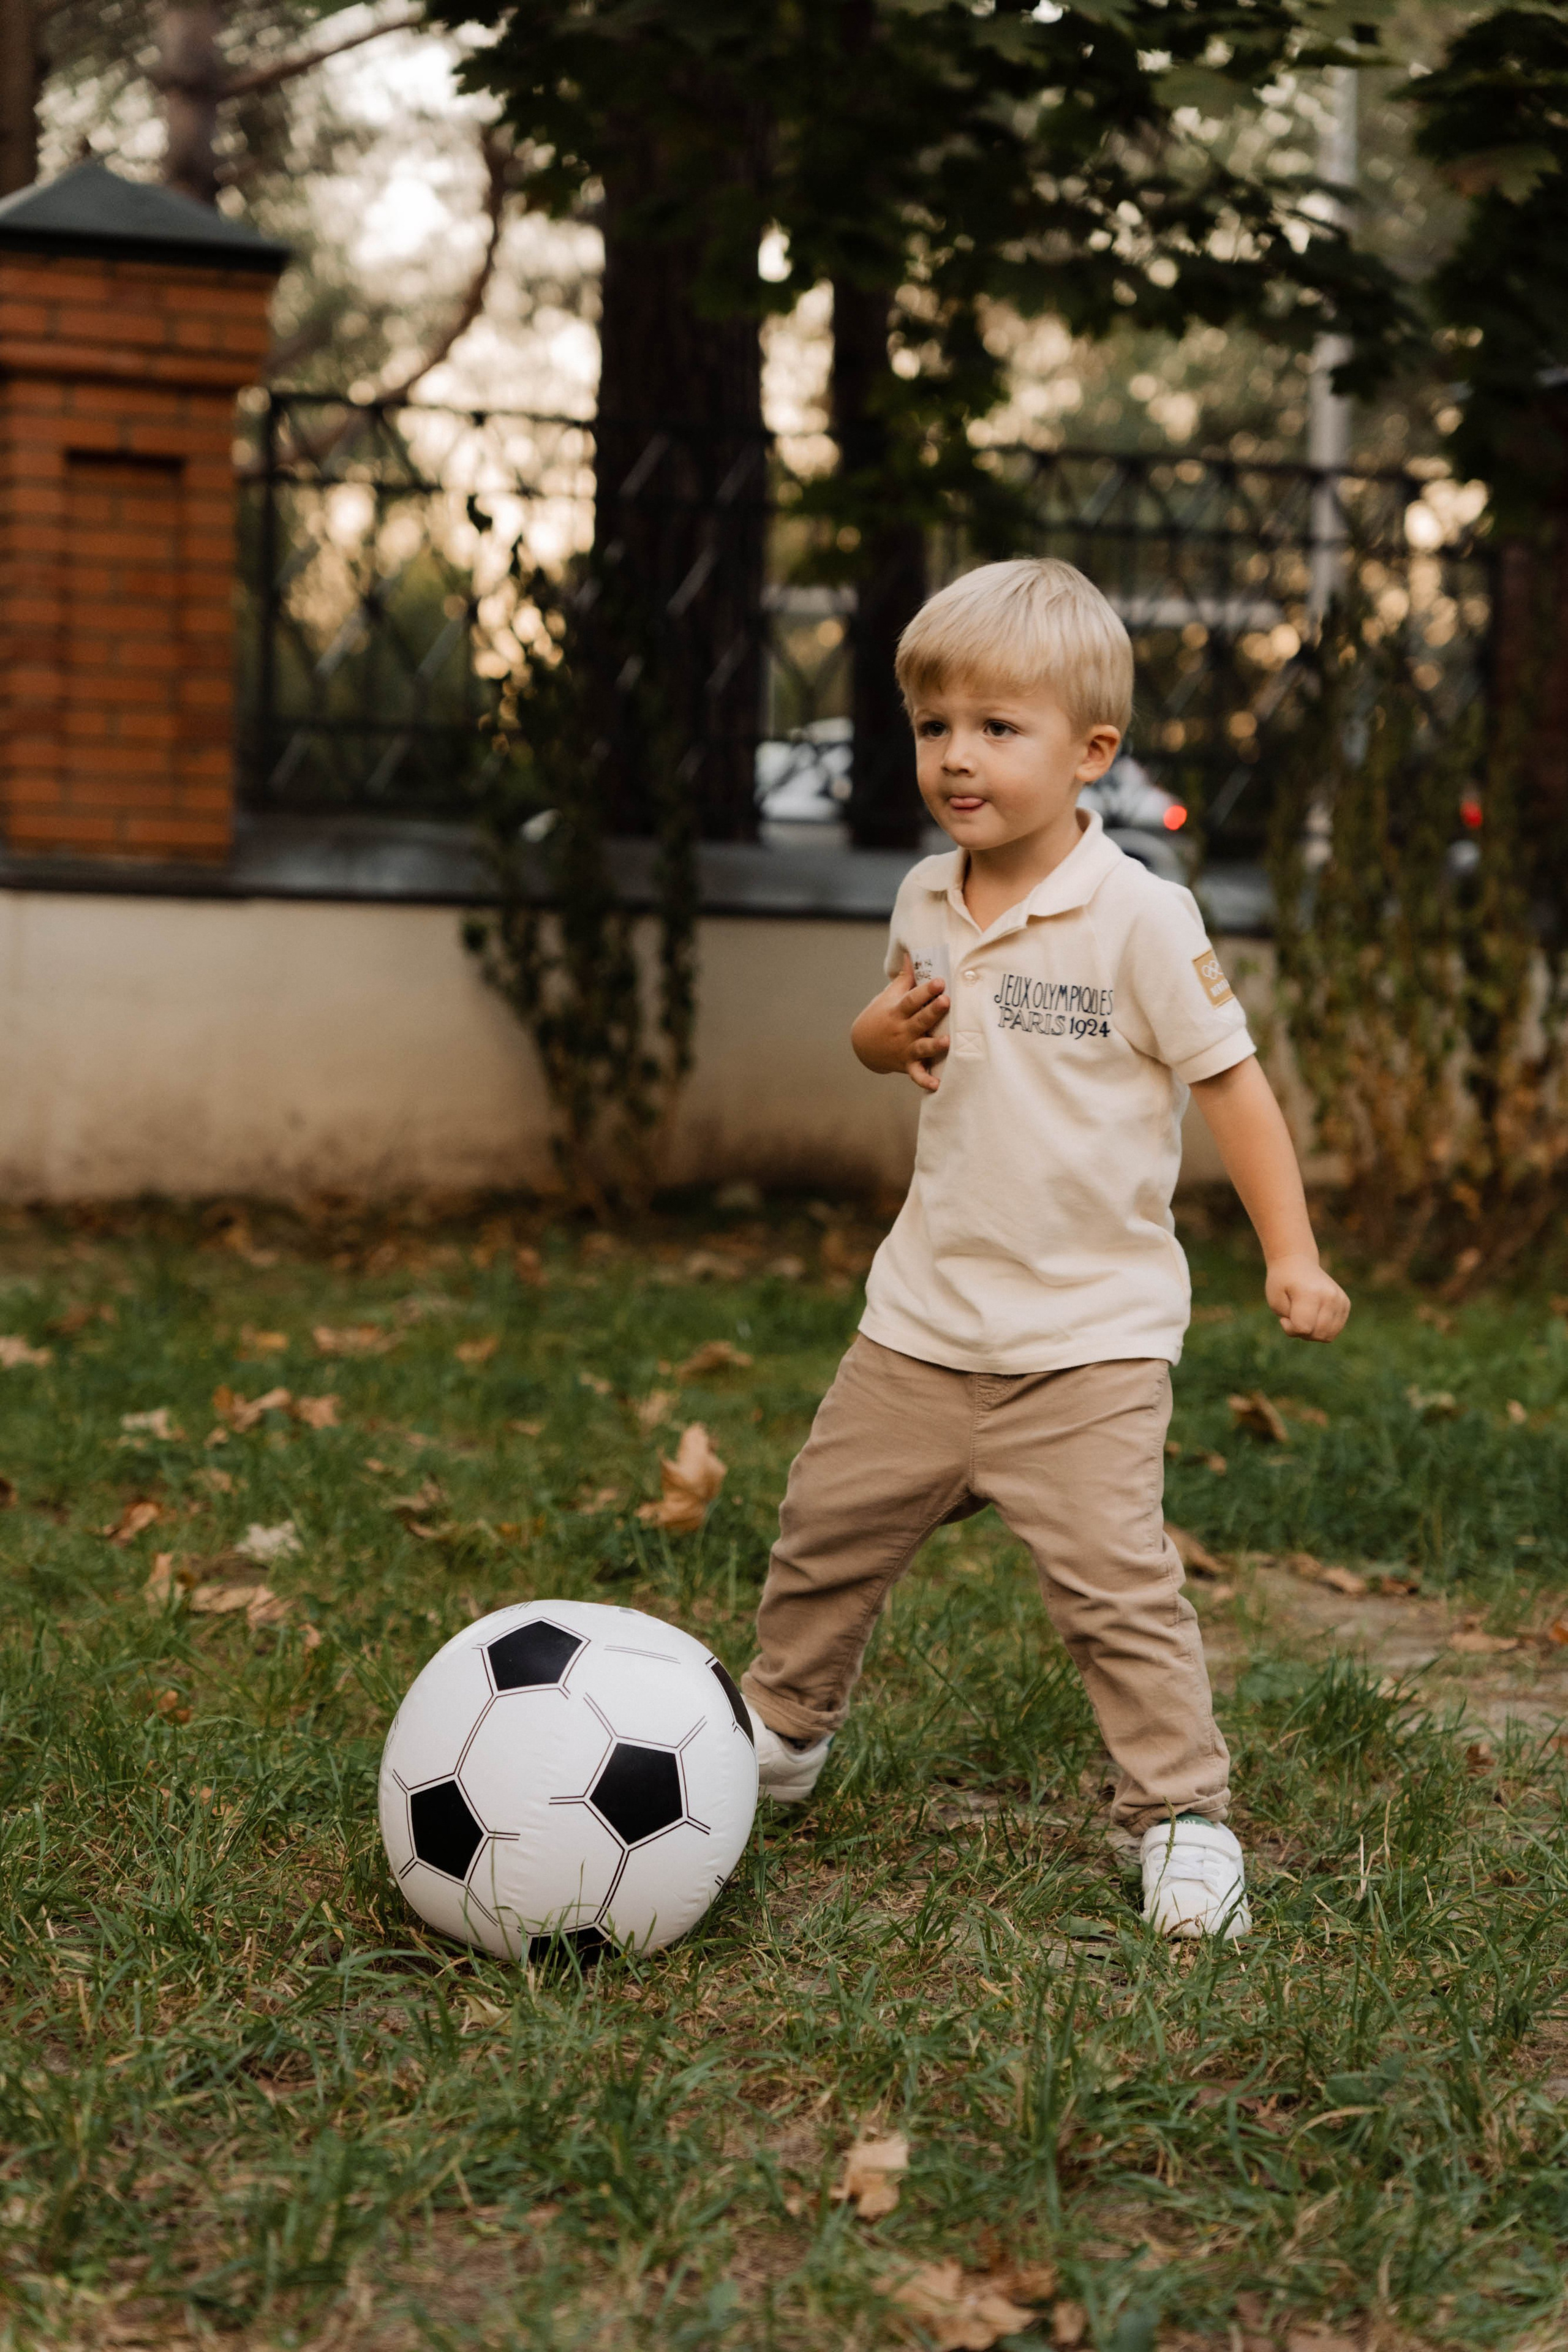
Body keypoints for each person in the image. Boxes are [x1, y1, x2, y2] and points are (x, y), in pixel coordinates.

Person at [741, 557, 1349, 1939]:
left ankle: (1182, 1814)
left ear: (1089, 754)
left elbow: (1231, 1085)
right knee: (824, 1536)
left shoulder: (1138, 919)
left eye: (995, 729)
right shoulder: (922, 896)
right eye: (931, 725)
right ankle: (779, 1732)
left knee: (1114, 1591)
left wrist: (1289, 1256)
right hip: (922, 1319)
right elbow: (884, 1024)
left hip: (1087, 1339)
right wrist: (871, 1039)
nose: (956, 758)